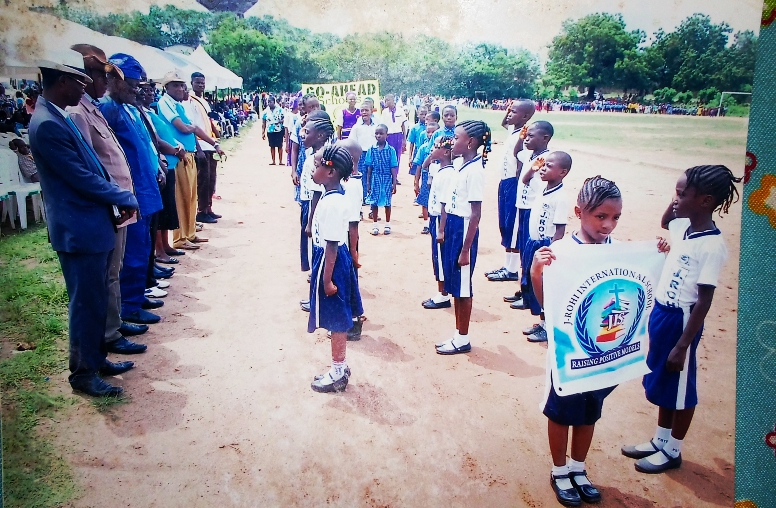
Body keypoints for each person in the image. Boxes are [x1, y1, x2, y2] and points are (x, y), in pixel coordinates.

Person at [530, 176, 670, 506]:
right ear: (579, 212)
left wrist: (658, 253)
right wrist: (537, 273)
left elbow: (637, 285)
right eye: (600, 216)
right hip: (570, 356)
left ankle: (579, 468)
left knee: (590, 412)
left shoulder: (619, 251)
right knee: (560, 412)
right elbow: (547, 306)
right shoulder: (561, 252)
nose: (608, 224)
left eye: (615, 217)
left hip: (605, 356)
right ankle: (559, 470)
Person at [29, 53, 138, 397]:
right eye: (79, 82)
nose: (85, 86)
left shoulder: (57, 116)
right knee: (85, 303)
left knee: (95, 298)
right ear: (61, 83)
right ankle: (83, 374)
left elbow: (93, 167)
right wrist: (122, 196)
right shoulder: (47, 123)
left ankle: (97, 359)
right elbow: (81, 178)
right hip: (79, 228)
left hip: (90, 224)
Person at [622, 165, 740, 474]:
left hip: (682, 321)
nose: (675, 198)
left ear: (705, 200)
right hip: (662, 314)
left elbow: (704, 300)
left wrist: (683, 346)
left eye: (682, 193)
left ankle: (673, 450)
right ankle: (660, 440)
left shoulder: (712, 246)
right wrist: (675, 200)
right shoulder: (682, 228)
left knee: (682, 389)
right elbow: (666, 221)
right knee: (664, 381)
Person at [68, 44, 150, 352]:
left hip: (120, 200)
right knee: (107, 273)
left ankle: (115, 325)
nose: (105, 82)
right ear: (87, 77)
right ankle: (109, 333)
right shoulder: (81, 113)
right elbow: (88, 168)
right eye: (102, 76)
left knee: (114, 270)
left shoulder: (95, 109)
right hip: (107, 205)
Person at [99, 53, 165, 326]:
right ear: (113, 79)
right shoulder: (107, 109)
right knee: (133, 250)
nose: (136, 89)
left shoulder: (127, 107)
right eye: (132, 84)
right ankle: (129, 306)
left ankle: (137, 297)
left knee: (143, 245)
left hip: (145, 185)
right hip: (131, 189)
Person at [308, 145, 364, 393]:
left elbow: (331, 245)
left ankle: (338, 371)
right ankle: (339, 366)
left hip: (331, 262)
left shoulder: (332, 203)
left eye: (317, 164)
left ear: (330, 172)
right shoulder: (332, 196)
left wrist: (327, 279)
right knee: (336, 317)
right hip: (331, 259)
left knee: (336, 319)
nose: (313, 168)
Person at [434, 120, 491, 355]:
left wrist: (465, 249)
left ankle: (463, 338)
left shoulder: (476, 171)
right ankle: (458, 334)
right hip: (454, 228)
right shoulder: (461, 165)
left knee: (463, 288)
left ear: (470, 142)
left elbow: (476, 214)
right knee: (455, 286)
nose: (452, 141)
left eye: (456, 137)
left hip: (464, 231)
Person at [157, 71, 218, 250]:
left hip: (189, 154)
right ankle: (180, 238)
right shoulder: (165, 103)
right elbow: (183, 128)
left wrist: (212, 142)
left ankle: (190, 233)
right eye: (175, 85)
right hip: (178, 156)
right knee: (181, 197)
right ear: (166, 87)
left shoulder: (179, 105)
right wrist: (191, 129)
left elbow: (194, 127)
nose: (180, 88)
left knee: (191, 196)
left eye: (181, 85)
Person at [520, 151, 572, 343]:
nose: (543, 168)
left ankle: (548, 325)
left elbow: (560, 230)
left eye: (549, 166)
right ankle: (542, 323)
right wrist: (534, 167)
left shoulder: (561, 198)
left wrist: (551, 251)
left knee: (546, 287)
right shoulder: (543, 188)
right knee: (531, 282)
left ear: (563, 172)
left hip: (545, 246)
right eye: (543, 164)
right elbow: (525, 180)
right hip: (532, 243)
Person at [485, 100, 535, 282]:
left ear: (525, 117)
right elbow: (504, 123)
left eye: (514, 112)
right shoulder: (513, 130)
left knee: (513, 226)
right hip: (505, 183)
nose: (509, 114)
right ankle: (507, 265)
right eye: (509, 111)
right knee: (505, 225)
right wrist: (508, 110)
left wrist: (519, 184)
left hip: (514, 183)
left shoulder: (525, 136)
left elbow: (521, 164)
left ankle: (512, 269)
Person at [507, 121, 553, 311]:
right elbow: (516, 152)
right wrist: (521, 137)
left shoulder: (548, 159)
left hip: (534, 210)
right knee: (524, 250)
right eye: (526, 135)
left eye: (531, 136)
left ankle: (530, 295)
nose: (527, 138)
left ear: (545, 138)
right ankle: (524, 289)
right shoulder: (530, 153)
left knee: (530, 252)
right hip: (523, 207)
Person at [422, 136, 455, 310]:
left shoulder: (448, 174)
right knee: (437, 256)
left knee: (440, 257)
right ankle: (441, 291)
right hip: (435, 219)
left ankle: (443, 294)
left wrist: (441, 229)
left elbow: (444, 204)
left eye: (435, 147)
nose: (432, 149)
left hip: (440, 221)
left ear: (446, 152)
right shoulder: (440, 170)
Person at [188, 72, 224, 224]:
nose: (201, 85)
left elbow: (208, 120)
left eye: (202, 82)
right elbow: (192, 126)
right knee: (202, 180)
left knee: (211, 179)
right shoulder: (189, 100)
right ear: (192, 83)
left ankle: (208, 208)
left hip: (209, 144)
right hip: (200, 145)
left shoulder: (204, 101)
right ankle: (201, 210)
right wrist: (198, 148)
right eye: (198, 82)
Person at [364, 124, 399, 236]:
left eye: (381, 133)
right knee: (374, 202)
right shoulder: (371, 149)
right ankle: (375, 225)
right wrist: (368, 183)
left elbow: (393, 167)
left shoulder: (391, 150)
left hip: (387, 178)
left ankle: (387, 224)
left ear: (386, 135)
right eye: (376, 133)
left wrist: (394, 182)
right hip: (375, 178)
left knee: (387, 202)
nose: (378, 136)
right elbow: (369, 167)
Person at [412, 121, 440, 234]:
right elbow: (419, 165)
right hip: (425, 176)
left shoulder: (442, 147)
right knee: (424, 201)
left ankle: (436, 222)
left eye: (433, 132)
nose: (430, 135)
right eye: (428, 132)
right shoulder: (423, 148)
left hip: (438, 176)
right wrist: (416, 181)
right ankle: (426, 224)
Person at [349, 102, 377, 204]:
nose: (364, 112)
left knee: (374, 176)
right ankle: (363, 197)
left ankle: (373, 197)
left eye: (366, 110)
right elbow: (352, 143)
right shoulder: (356, 127)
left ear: (371, 111)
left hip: (374, 154)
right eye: (362, 110)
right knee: (362, 176)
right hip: (361, 154)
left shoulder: (376, 126)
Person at [379, 94, 406, 183]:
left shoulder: (400, 111)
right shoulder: (384, 112)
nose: (386, 102)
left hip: (398, 135)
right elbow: (383, 126)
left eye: (388, 100)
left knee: (397, 156)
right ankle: (388, 175)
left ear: (393, 100)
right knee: (388, 155)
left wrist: (404, 139)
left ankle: (395, 176)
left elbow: (403, 125)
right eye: (385, 100)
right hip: (389, 136)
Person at [261, 95, 285, 165]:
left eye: (270, 102)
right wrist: (263, 132)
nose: (269, 103)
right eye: (268, 102)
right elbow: (264, 123)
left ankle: (280, 161)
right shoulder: (265, 111)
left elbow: (285, 119)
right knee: (272, 146)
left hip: (279, 130)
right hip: (270, 130)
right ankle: (273, 161)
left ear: (274, 102)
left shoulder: (280, 110)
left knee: (280, 146)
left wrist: (281, 121)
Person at [407, 105, 428, 176]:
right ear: (418, 115)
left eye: (426, 114)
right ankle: (416, 185)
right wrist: (410, 157)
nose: (424, 116)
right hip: (417, 151)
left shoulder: (431, 127)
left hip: (427, 152)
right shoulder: (414, 128)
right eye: (421, 114)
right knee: (416, 172)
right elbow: (411, 144)